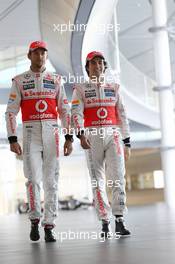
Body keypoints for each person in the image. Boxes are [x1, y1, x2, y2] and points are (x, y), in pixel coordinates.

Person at [5, 41, 73, 242]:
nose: (40, 56)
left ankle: (49, 225)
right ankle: (34, 220)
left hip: (52, 132)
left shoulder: (56, 80)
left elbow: (65, 110)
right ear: (29, 56)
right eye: (36, 53)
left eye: (43, 53)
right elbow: (10, 111)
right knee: (33, 179)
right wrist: (12, 138)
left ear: (46, 56)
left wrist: (69, 138)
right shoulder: (19, 80)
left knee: (51, 181)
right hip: (29, 132)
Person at [71, 51, 131, 237]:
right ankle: (104, 221)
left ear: (104, 66)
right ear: (87, 67)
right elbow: (76, 114)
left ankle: (119, 219)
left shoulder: (114, 88)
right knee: (97, 180)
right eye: (93, 63)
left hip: (113, 135)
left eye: (100, 62)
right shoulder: (80, 89)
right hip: (92, 136)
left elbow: (122, 116)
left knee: (117, 177)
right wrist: (81, 135)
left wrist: (127, 141)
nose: (97, 65)